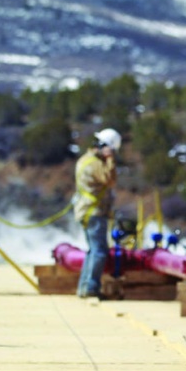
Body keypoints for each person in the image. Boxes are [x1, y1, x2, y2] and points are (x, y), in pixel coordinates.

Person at [75, 128, 120, 299]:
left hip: (88, 211)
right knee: (100, 251)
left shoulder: (85, 160)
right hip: (94, 212)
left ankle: (84, 286)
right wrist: (110, 159)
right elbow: (111, 180)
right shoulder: (94, 164)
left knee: (93, 250)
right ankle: (91, 287)